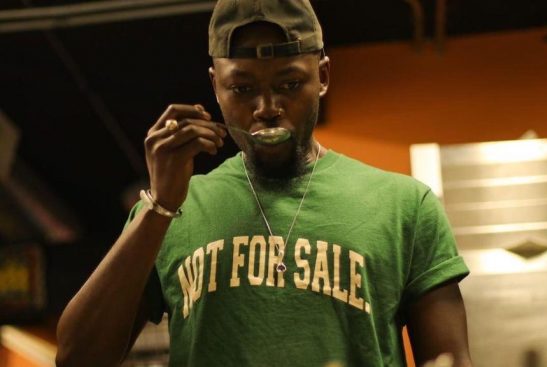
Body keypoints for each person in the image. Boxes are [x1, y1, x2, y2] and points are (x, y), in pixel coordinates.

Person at [56, 1, 472, 366]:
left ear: (322, 75)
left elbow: (450, 360)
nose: (268, 108)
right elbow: (77, 358)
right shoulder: (171, 212)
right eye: (242, 88)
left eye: (289, 84)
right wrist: (161, 205)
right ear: (215, 86)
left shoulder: (405, 205)